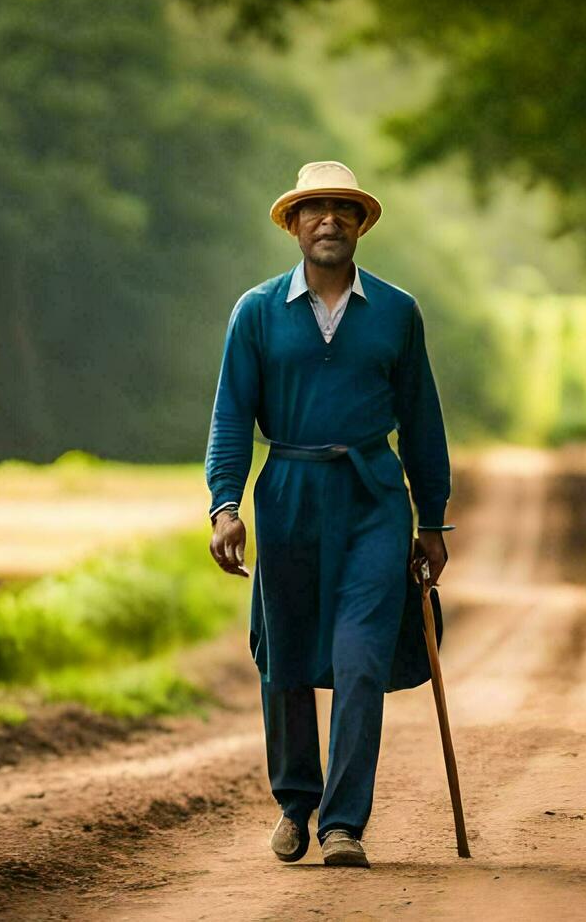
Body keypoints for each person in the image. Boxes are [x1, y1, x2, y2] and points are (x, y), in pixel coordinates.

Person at [204, 160, 453, 868]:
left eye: (343, 209)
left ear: (361, 224)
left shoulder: (397, 313)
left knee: (361, 660)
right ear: (292, 224)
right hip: (287, 496)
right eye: (314, 209)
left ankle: (343, 823)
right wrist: (226, 504)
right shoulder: (256, 313)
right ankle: (294, 804)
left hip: (373, 497)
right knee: (283, 661)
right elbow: (230, 418)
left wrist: (431, 516)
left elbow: (422, 419)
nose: (329, 221)